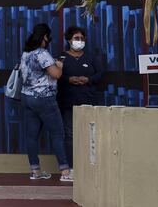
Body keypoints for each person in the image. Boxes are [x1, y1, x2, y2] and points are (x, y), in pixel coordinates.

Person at [20, 23, 72, 182]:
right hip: (44, 98)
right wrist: (59, 65)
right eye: (48, 36)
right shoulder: (43, 54)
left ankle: (35, 171)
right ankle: (65, 172)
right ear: (44, 37)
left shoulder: (26, 53)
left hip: (27, 97)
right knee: (57, 134)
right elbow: (56, 74)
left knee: (32, 136)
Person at [56, 26, 105, 170]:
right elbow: (55, 76)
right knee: (70, 135)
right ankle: (71, 167)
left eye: (82, 39)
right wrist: (68, 79)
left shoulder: (90, 57)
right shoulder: (61, 57)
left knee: (90, 135)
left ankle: (90, 167)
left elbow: (100, 73)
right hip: (68, 102)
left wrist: (88, 80)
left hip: (88, 101)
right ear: (69, 40)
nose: (80, 41)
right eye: (77, 38)